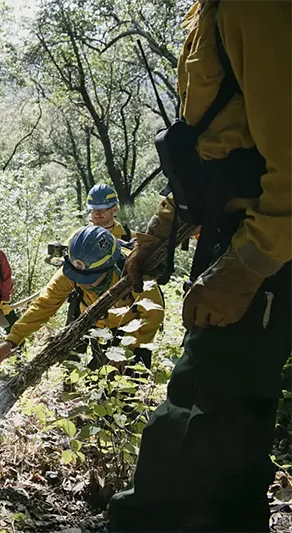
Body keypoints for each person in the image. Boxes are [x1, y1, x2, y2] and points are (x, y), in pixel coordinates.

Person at [107, 1, 291, 531]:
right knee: (236, 419)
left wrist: (248, 266)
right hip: (231, 233)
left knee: (203, 404)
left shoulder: (259, 9)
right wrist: (159, 233)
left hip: (261, 244)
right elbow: (213, 148)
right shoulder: (211, 11)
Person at [0, 226, 163, 371]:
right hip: (99, 327)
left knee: (129, 387)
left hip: (132, 331)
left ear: (107, 267)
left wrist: (126, 350)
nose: (81, 282)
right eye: (77, 276)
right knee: (100, 383)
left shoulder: (134, 270)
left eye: (87, 277)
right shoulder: (70, 271)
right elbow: (44, 305)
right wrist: (11, 340)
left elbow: (152, 313)